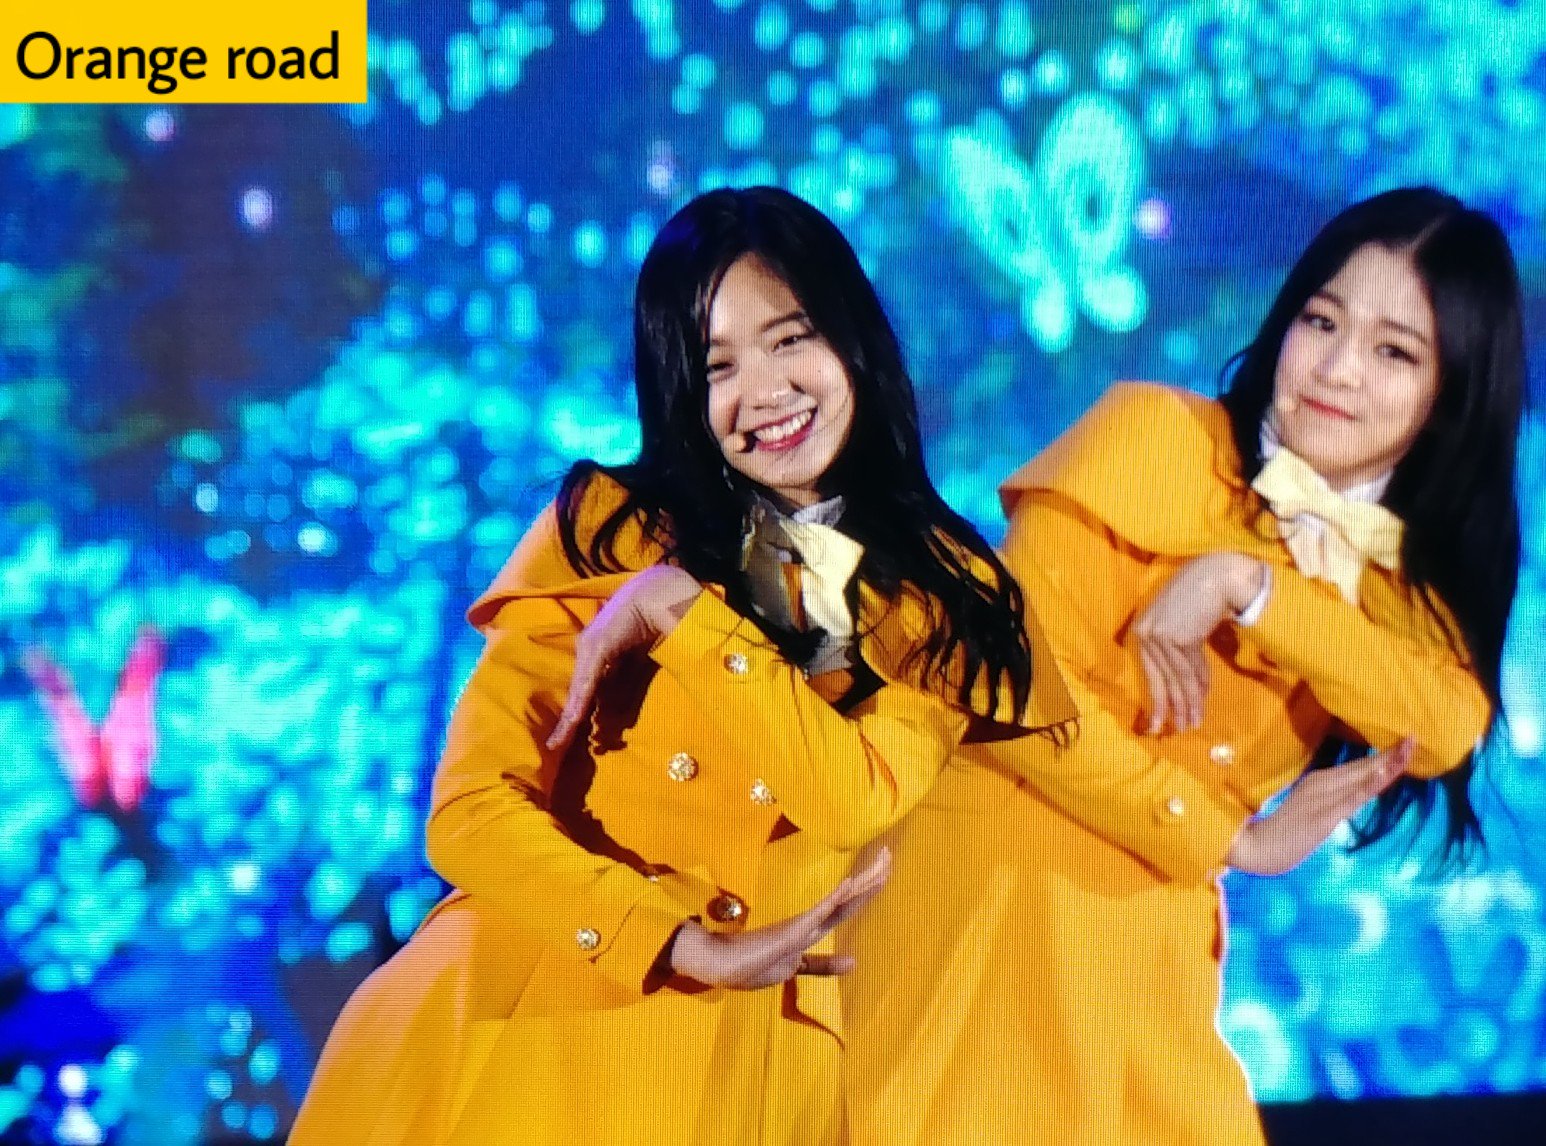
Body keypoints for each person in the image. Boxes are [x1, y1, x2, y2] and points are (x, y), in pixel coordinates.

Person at [289, 186, 1074, 1145]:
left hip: (749, 1073)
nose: (766, 392)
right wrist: (672, 940)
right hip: (526, 1028)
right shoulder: (612, 526)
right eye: (717, 366)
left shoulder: (942, 588)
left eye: (790, 340)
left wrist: (686, 617)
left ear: (852, 341)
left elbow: (850, 797)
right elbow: (470, 813)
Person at [841, 186, 1525, 1144]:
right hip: (987, 917)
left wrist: (1250, 587)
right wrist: (1225, 838)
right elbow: (1015, 695)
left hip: (1148, 961)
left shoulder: (1387, 581)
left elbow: (1446, 724)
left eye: (1395, 352)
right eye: (1321, 321)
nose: (1337, 369)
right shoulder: (1156, 436)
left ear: (1450, 396)